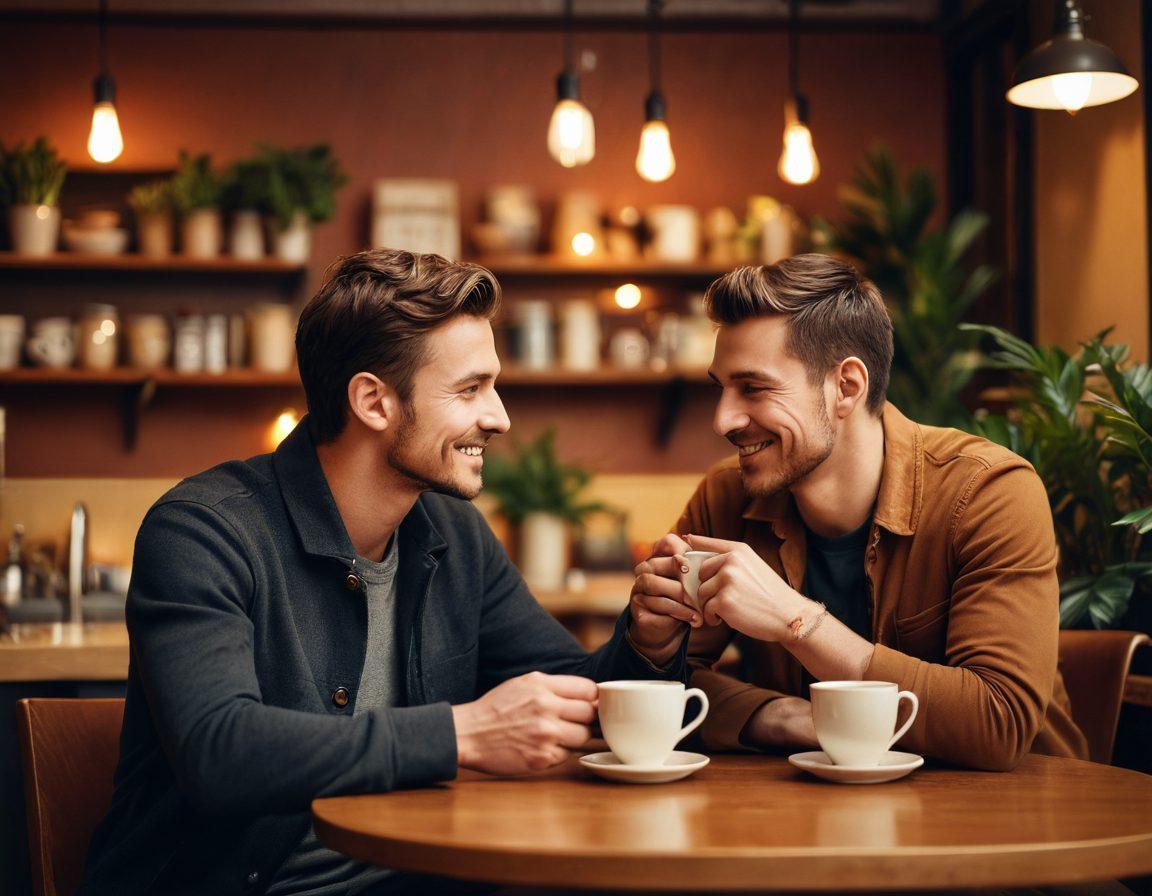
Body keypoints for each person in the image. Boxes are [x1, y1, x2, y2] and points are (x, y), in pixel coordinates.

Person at [82, 249, 684, 896]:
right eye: (470, 389)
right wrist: (460, 733)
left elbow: (567, 698)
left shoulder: (454, 537)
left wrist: (646, 642)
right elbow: (219, 751)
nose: (499, 417)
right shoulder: (203, 531)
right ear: (374, 402)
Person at [626, 253, 1088, 771]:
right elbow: (652, 691)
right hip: (813, 821)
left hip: (1019, 823)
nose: (723, 420)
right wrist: (776, 714)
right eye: (722, 388)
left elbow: (998, 722)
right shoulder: (728, 496)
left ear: (846, 386)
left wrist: (795, 620)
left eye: (753, 388)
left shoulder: (988, 493)